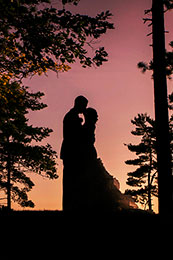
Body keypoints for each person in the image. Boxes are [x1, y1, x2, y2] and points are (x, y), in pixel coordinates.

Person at [60, 95, 88, 211]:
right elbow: (80, 135)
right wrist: (86, 121)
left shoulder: (72, 116)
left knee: (71, 181)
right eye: (84, 106)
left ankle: (71, 206)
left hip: (70, 152)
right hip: (71, 153)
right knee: (71, 181)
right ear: (79, 104)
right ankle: (70, 207)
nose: (85, 109)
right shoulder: (72, 118)